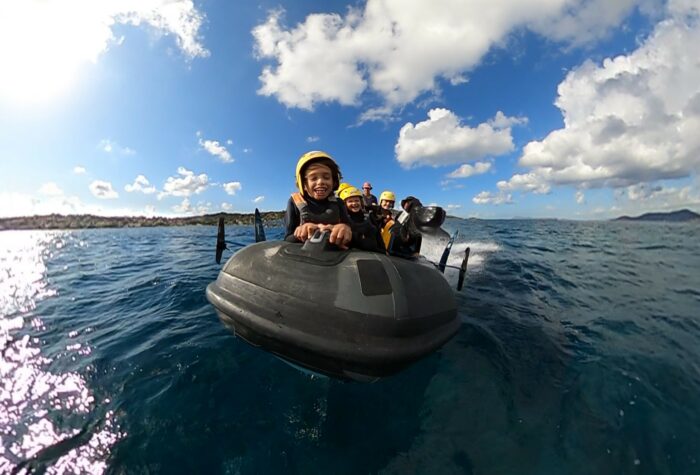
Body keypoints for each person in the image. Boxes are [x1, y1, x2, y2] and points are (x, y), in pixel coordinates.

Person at [284, 151, 352, 248]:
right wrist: (300, 233)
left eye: (327, 177)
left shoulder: (339, 203)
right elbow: (287, 240)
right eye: (313, 178)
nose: (320, 182)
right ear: (303, 184)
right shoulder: (294, 202)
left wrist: (345, 229)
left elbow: (352, 236)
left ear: (334, 181)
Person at [339, 186, 385, 253]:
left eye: (357, 200)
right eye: (350, 201)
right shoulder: (342, 220)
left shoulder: (369, 216)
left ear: (361, 202)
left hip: (376, 255)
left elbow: (378, 235)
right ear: (345, 204)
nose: (354, 203)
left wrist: (384, 251)